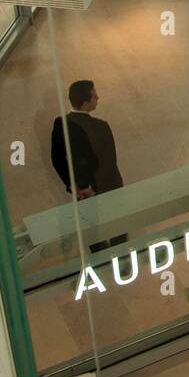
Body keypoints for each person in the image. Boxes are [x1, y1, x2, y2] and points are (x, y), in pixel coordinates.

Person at [50, 80, 126, 252]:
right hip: (107, 185)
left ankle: (98, 252)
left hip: (82, 188)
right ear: (86, 104)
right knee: (119, 221)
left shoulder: (60, 124)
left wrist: (74, 186)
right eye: (94, 96)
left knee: (90, 224)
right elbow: (110, 161)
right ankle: (120, 253)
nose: (97, 97)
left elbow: (57, 159)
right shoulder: (101, 127)